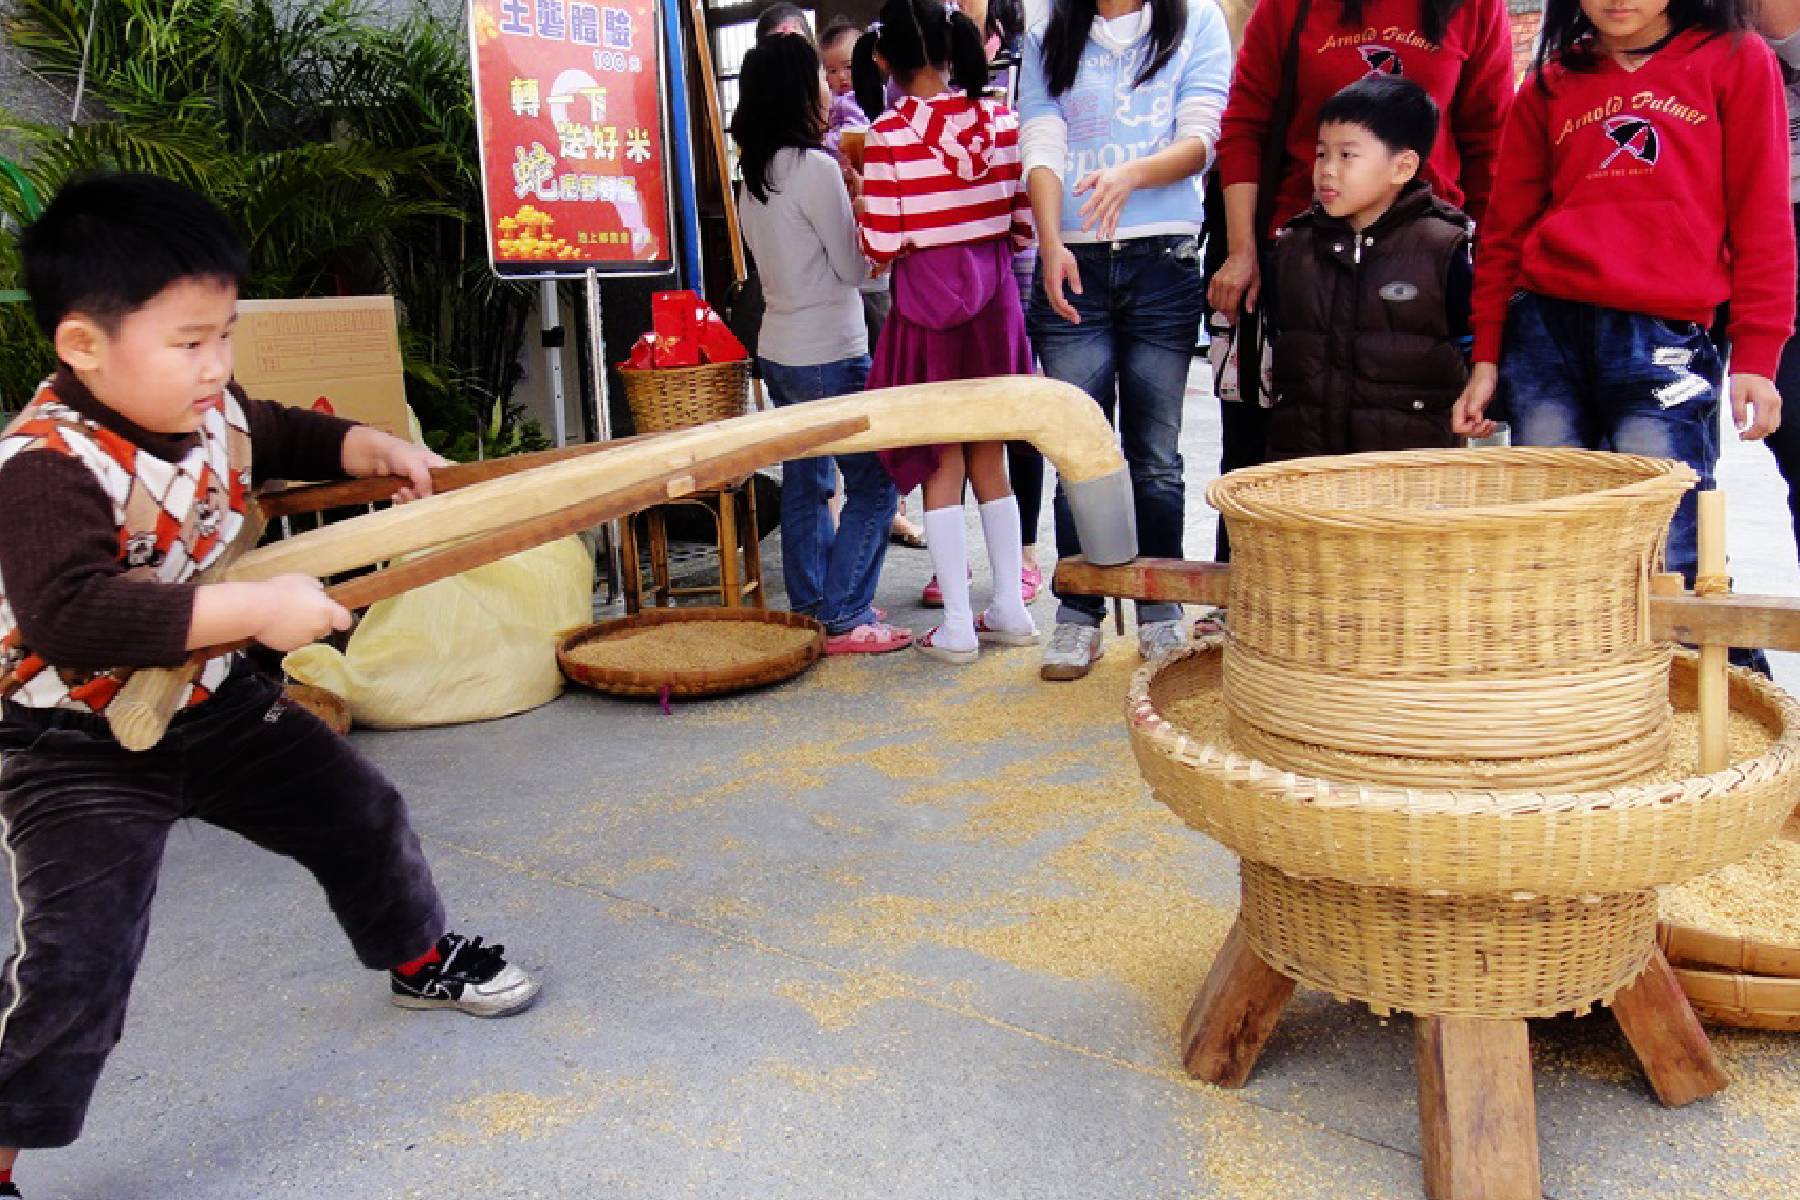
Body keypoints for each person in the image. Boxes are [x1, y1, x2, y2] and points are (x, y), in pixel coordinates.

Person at [0, 173, 540, 1198]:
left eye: (225, 336)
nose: (217, 367)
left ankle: (417, 955)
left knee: (359, 811)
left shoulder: (213, 413)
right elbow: (73, 613)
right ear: (82, 346)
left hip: (213, 706)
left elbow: (278, 431)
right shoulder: (42, 465)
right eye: (189, 342)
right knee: (77, 958)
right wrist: (251, 613)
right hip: (73, 743)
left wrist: (364, 445)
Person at [1453, 0, 1794, 599]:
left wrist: (1757, 359)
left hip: (1664, 337)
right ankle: (1574, 683)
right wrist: (1487, 358)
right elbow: (1504, 229)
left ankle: (1700, 681)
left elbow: (1762, 217)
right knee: (1553, 533)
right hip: (1544, 335)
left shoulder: (1737, 59)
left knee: (1671, 538)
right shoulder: (1554, 77)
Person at [1207, 0, 1514, 555]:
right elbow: (1245, 124)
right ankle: (1253, 590)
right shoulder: (1289, 8)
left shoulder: (1475, 8)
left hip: (1424, 257)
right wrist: (1242, 250)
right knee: (1279, 433)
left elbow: (1491, 140)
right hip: (1302, 252)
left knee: (1405, 438)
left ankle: (1403, 604)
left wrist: (1491, 266)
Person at [1018, 0, 1232, 681]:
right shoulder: (1047, 27)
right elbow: (1040, 141)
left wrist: (1132, 174)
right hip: (1071, 260)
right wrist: (1049, 243)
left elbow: (1203, 137)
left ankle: (1159, 610)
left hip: (1162, 258)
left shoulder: (1197, 21)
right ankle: (1077, 616)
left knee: (1154, 454)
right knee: (1075, 448)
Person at [856, 0, 1039, 663]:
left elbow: (880, 241)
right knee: (991, 455)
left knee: (941, 460)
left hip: (926, 313)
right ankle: (1012, 608)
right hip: (995, 307)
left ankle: (958, 624)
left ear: (890, 61)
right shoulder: (1002, 119)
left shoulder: (888, 134)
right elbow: (1023, 224)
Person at [732, 36, 913, 655]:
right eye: (817, 77)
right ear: (796, 91)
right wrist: (874, 222)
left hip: (780, 349)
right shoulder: (815, 169)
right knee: (876, 483)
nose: (826, 87)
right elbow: (854, 270)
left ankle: (814, 604)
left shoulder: (752, 175)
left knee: (806, 479)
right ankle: (845, 612)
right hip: (831, 350)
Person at [1263, 75, 1472, 459]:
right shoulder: (1294, 247)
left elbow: (1470, 348)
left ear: (1403, 166)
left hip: (1408, 474)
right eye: (1322, 153)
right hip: (1307, 468)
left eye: (1347, 156)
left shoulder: (1443, 248)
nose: (1326, 169)